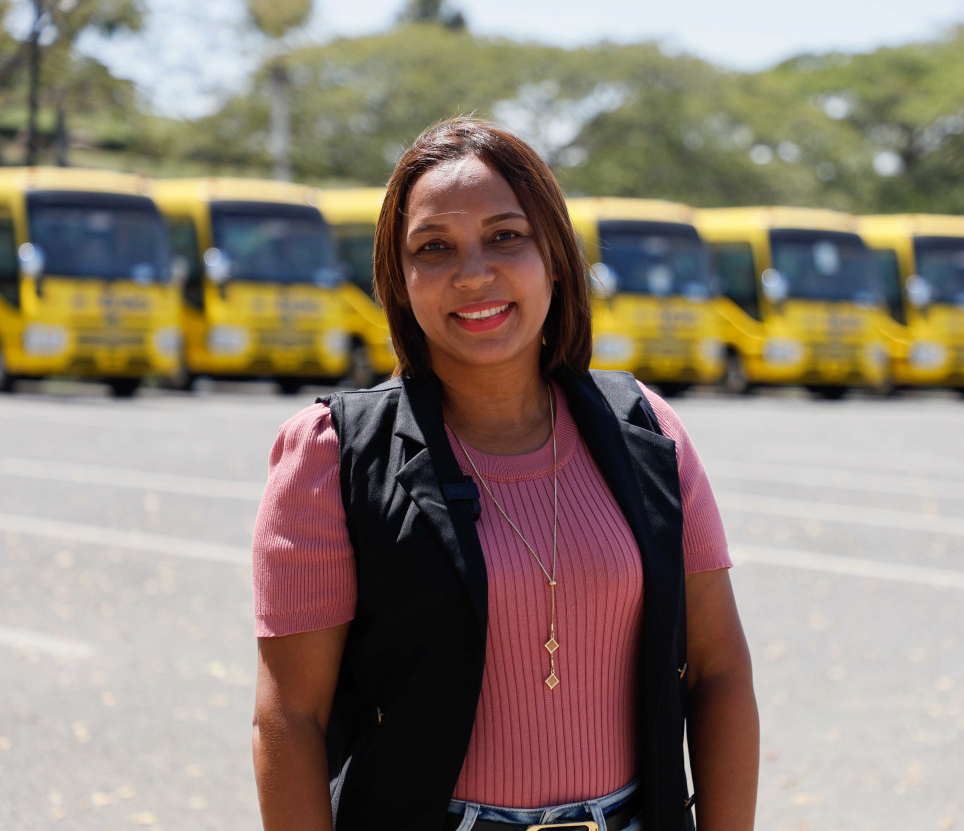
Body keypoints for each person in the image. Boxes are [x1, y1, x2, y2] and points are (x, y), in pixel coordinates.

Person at [250, 117, 759, 831]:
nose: (473, 273)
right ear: (400, 280)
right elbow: (290, 717)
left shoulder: (648, 431)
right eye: (434, 247)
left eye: (505, 236)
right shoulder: (333, 455)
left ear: (555, 257)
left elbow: (719, 672)